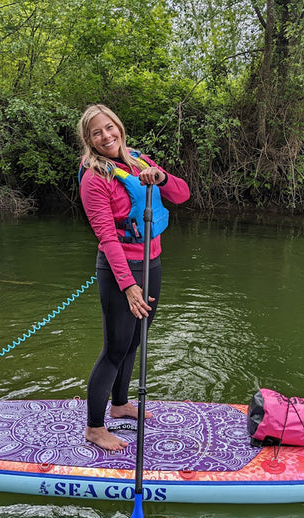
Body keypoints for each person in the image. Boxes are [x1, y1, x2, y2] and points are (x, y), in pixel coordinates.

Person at [77, 104, 190, 451]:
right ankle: (95, 427)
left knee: (135, 342)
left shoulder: (141, 162)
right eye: (97, 133)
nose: (106, 136)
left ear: (119, 128)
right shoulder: (95, 178)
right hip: (119, 272)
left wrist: (162, 178)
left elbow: (181, 194)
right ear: (89, 140)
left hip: (151, 261)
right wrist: (128, 286)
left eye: (109, 128)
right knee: (115, 348)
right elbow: (108, 238)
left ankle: (120, 403)